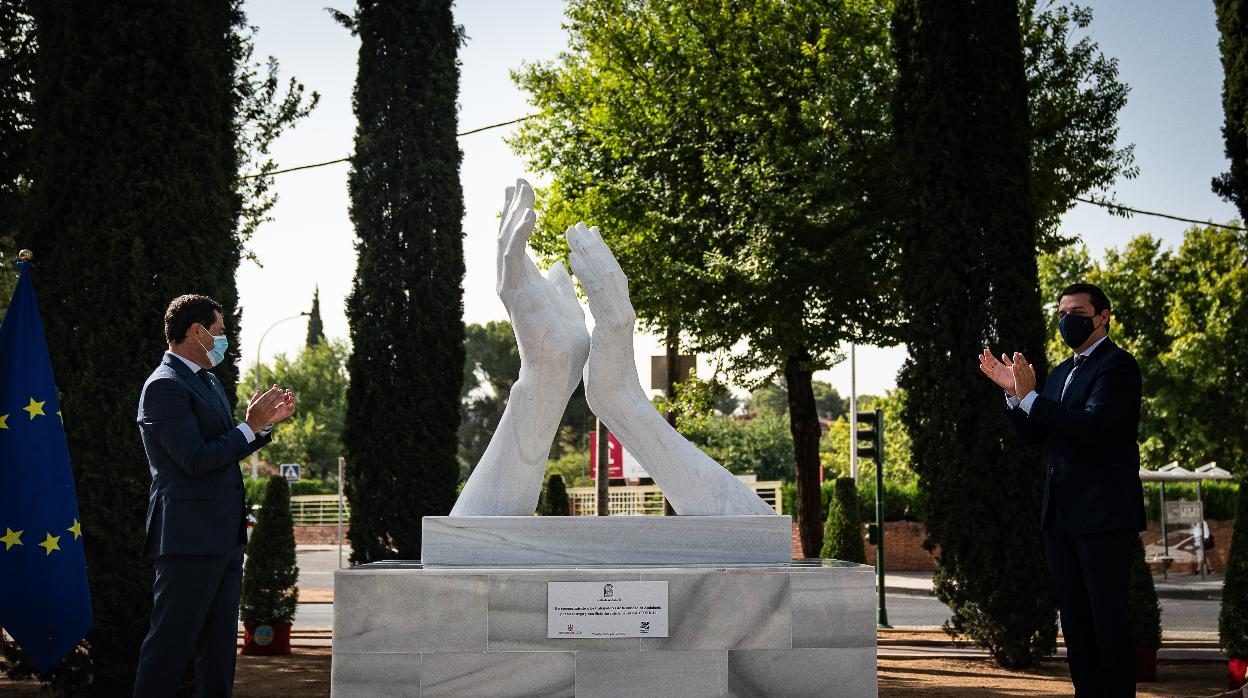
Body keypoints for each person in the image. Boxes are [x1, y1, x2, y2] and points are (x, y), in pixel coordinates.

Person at [978, 282, 1145, 697]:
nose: (1066, 319)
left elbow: (1092, 427)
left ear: (1102, 316)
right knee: (1075, 622)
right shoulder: (1059, 373)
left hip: (1104, 517)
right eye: (1061, 312)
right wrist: (1014, 396)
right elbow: (1034, 434)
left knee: (1107, 621)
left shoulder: (1117, 367)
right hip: (1061, 517)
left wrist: (1031, 395)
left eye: (1076, 311)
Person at [133, 295, 296, 697]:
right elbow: (194, 459)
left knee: (219, 650)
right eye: (220, 331)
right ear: (196, 332)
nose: (225, 340)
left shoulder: (207, 381)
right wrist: (247, 428)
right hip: (188, 539)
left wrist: (259, 428)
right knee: (169, 647)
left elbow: (224, 449)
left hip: (224, 537)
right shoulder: (164, 386)